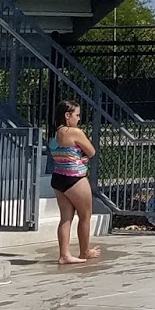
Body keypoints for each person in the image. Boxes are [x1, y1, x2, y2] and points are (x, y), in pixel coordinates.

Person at [49, 100, 100, 267]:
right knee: (85, 216)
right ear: (67, 115)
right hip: (75, 178)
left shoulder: (54, 133)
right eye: (77, 115)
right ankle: (84, 251)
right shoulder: (74, 132)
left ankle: (64, 255)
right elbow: (91, 152)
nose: (79, 119)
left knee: (65, 218)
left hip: (58, 178)